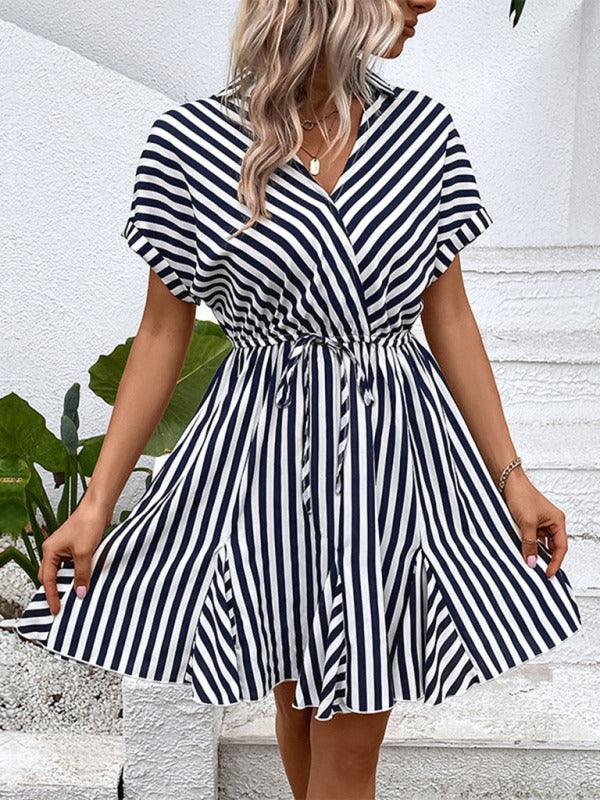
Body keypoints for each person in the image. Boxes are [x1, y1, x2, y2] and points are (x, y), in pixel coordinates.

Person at [18, 1, 582, 798]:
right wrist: (95, 505)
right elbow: (161, 334)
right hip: (259, 462)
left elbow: (449, 316)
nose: (428, 3)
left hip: (389, 458)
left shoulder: (424, 135)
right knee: (297, 695)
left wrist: (512, 475)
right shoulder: (190, 145)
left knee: (350, 740)